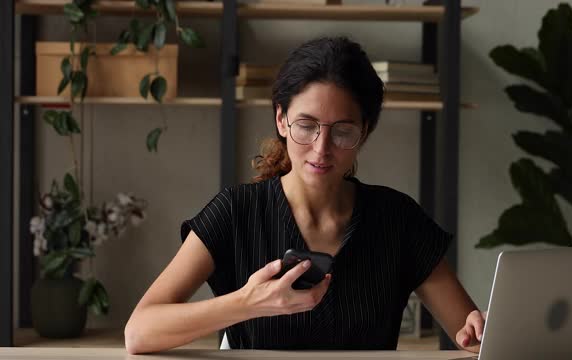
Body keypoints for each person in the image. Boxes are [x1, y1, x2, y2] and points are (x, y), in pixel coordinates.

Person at [124, 36, 485, 354]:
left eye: (342, 131)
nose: (321, 148)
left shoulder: (397, 218)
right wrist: (246, 303)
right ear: (281, 119)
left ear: (366, 130)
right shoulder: (237, 211)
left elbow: (469, 336)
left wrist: (477, 331)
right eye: (306, 126)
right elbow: (139, 331)